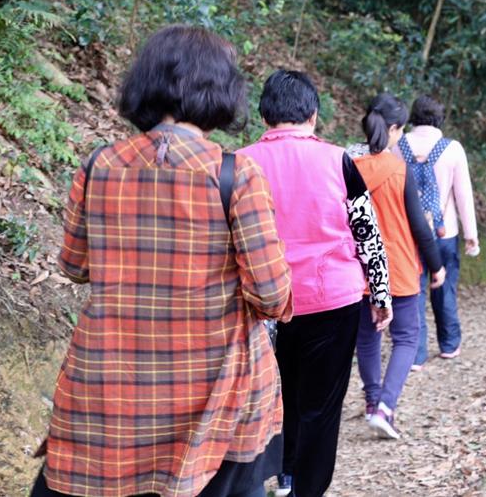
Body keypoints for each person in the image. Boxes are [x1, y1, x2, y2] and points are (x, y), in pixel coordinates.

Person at [31, 25, 293, 497]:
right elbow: (271, 296)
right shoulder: (235, 174)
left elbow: (75, 265)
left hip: (112, 393)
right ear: (221, 92)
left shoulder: (99, 165)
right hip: (214, 394)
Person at [238, 70, 390, 497]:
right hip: (332, 301)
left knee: (276, 392)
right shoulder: (339, 161)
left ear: (264, 115)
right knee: (321, 406)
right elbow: (367, 232)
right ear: (313, 115)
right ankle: (306, 490)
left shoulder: (238, 163)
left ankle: (283, 475)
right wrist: (380, 293)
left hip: (261, 304)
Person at [347, 93, 446, 439]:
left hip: (359, 270)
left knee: (367, 337)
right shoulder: (397, 169)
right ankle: (386, 407)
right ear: (392, 129)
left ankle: (372, 400)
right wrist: (436, 265)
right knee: (406, 337)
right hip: (399, 268)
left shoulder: (347, 165)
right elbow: (419, 226)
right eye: (401, 130)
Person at [399, 96, 479, 367]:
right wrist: (471, 235)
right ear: (439, 119)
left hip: (409, 234)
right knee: (445, 288)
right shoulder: (453, 149)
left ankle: (416, 353)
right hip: (445, 233)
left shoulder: (398, 146)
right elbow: (463, 195)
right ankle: (449, 343)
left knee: (414, 291)